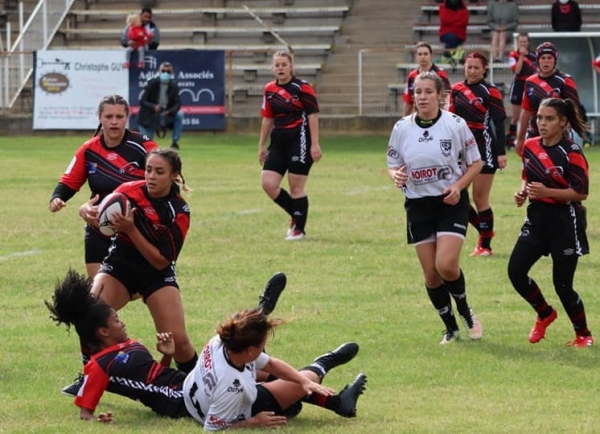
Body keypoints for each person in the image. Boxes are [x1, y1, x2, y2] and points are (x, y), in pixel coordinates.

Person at [46, 269, 367, 425]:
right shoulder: (99, 365)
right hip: (182, 399)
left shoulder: (126, 345)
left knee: (268, 378)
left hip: (183, 383)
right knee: (287, 385)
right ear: (103, 331)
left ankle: (336, 401)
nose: (122, 321)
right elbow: (86, 408)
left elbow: (152, 377)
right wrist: (96, 419)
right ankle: (321, 363)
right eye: (116, 319)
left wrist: (167, 354)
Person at [62, 148, 197, 397]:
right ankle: (90, 376)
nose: (151, 177)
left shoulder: (179, 211)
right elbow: (101, 219)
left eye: (159, 172)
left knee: (178, 339)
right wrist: (87, 212)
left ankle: (197, 384)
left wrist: (131, 229)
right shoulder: (127, 191)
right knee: (89, 312)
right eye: (148, 170)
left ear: (174, 175)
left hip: (156, 274)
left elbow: (160, 262)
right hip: (120, 266)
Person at [387, 71, 483, 344]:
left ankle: (466, 312)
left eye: (428, 92)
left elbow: (475, 163)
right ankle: (450, 328)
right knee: (431, 275)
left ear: (440, 96)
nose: (423, 97)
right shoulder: (402, 128)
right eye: (418, 92)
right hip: (418, 206)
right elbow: (393, 163)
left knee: (446, 265)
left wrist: (458, 187)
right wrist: (395, 175)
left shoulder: (455, 124)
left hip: (449, 202)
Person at [182, 308, 366, 430]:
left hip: (195, 397)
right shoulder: (231, 386)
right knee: (301, 385)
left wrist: (303, 380)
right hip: (235, 407)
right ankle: (325, 362)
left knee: (298, 380)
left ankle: (336, 402)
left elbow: (270, 364)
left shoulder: (222, 342)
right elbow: (213, 428)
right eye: (262, 345)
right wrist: (253, 423)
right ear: (250, 349)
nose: (264, 348)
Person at [508, 97, 592, 347]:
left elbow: (581, 193)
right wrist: (523, 191)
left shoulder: (572, 152)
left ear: (563, 122)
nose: (542, 123)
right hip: (536, 221)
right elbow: (527, 174)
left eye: (549, 118)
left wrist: (548, 193)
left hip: (565, 224)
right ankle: (545, 313)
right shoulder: (530, 146)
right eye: (539, 118)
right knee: (515, 271)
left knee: (563, 285)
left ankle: (583, 334)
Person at [49, 94, 158, 279]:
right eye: (108, 117)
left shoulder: (143, 146)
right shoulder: (89, 149)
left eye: (119, 117)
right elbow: (69, 181)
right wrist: (57, 198)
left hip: (136, 228)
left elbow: (164, 178)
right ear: (100, 118)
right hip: (99, 227)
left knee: (139, 287)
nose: (114, 122)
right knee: (98, 296)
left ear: (127, 117)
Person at [258, 50, 322, 241]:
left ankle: (298, 229)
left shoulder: (303, 87)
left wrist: (315, 144)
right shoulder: (269, 89)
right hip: (278, 141)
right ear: (272, 68)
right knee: (268, 183)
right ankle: (296, 215)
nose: (280, 68)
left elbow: (313, 116)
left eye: (284, 64)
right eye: (277, 65)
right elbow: (267, 118)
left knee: (296, 187)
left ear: (291, 66)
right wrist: (262, 145)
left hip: (300, 139)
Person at [448, 52, 507, 256]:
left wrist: (501, 152)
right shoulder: (456, 90)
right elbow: (450, 120)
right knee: (458, 196)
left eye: (476, 67)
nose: (472, 71)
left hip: (484, 149)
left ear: (484, 69)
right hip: (459, 150)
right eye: (468, 66)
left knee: (480, 197)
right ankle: (485, 231)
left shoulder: (491, 91)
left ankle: (485, 246)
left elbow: (498, 123)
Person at [515, 42, 581, 156]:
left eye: (549, 58)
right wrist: (520, 138)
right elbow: (526, 111)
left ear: (555, 60)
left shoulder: (565, 80)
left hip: (558, 135)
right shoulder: (530, 82)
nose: (546, 61)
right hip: (534, 133)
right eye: (543, 58)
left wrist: (567, 129)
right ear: (538, 60)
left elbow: (574, 109)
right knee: (533, 169)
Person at [137, 62, 184, 149]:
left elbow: (177, 104)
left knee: (179, 115)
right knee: (146, 143)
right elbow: (142, 101)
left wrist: (170, 111)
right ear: (159, 71)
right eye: (163, 71)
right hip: (149, 114)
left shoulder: (174, 85)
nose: (165, 73)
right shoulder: (151, 83)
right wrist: (154, 107)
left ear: (171, 73)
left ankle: (175, 142)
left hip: (165, 114)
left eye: (168, 72)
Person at [402, 42, 451, 117]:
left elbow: (447, 95)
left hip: (436, 116)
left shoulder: (439, 73)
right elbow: (408, 101)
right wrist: (403, 120)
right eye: (420, 54)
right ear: (416, 56)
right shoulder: (412, 75)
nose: (422, 57)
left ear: (431, 55)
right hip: (418, 116)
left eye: (425, 54)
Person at [507, 32, 537, 149]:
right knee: (515, 116)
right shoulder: (513, 55)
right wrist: (521, 56)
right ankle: (511, 138)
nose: (523, 44)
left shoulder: (534, 56)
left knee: (530, 114)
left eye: (525, 41)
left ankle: (528, 137)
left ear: (528, 42)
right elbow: (517, 71)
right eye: (521, 42)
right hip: (519, 85)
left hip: (530, 85)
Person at [438, 0, 469, 64]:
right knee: (451, 38)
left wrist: (451, 23)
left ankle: (446, 56)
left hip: (460, 34)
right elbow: (444, 20)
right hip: (445, 33)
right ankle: (456, 55)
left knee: (453, 39)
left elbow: (464, 21)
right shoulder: (443, 7)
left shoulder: (464, 8)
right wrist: (456, 21)